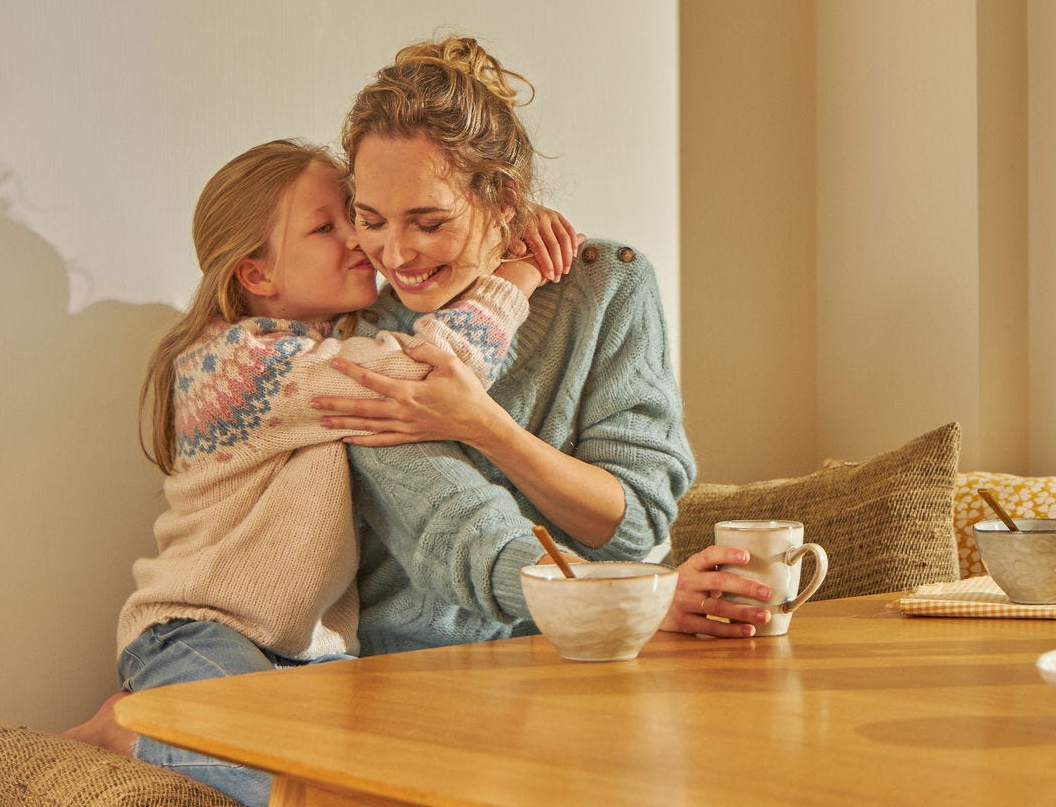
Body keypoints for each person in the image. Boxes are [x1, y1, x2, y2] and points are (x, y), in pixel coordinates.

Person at [68, 138, 556, 806]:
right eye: (327, 227)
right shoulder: (239, 364)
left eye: (351, 216)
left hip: (313, 657)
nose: (361, 239)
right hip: (199, 629)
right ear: (257, 276)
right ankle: (134, 730)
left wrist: (501, 228)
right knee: (297, 780)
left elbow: (422, 326)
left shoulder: (325, 346)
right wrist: (519, 274)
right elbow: (427, 373)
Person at [313, 35, 771, 652]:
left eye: (430, 223)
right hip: (417, 665)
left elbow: (634, 524)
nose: (395, 255)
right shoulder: (357, 334)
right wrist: (625, 596)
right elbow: (460, 533)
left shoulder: (607, 285)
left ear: (503, 199)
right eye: (371, 220)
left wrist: (484, 426)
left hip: (598, 650)